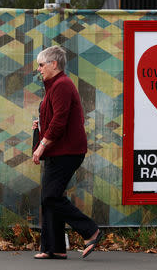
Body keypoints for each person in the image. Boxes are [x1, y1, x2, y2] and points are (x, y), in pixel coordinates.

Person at [32, 46, 102, 260]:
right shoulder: (54, 86)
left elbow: (60, 122)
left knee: (51, 196)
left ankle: (91, 231)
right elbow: (55, 116)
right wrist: (41, 124)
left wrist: (42, 144)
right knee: (50, 197)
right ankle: (54, 248)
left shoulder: (62, 85)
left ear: (54, 64)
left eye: (42, 64)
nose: (39, 69)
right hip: (59, 149)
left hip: (67, 151)